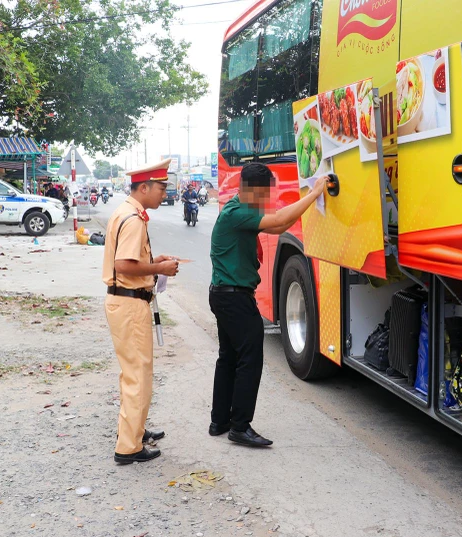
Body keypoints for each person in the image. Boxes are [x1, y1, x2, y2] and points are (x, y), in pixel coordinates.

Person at [209, 162, 329, 446]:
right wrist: (314, 194)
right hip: (234, 298)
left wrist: (309, 202)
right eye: (264, 194)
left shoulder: (241, 209)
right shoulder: (236, 213)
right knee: (250, 360)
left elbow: (280, 225)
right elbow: (277, 222)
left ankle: (220, 420)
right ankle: (239, 426)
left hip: (225, 295)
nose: (267, 200)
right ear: (249, 191)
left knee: (229, 358)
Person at [104, 158, 180, 463]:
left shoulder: (127, 212)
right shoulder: (133, 218)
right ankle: (129, 447)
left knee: (132, 372)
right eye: (161, 188)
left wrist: (153, 262)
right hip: (129, 303)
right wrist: (159, 267)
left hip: (125, 301)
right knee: (138, 375)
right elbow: (124, 264)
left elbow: (129, 260)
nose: (165, 193)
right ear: (144, 187)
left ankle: (135, 430)